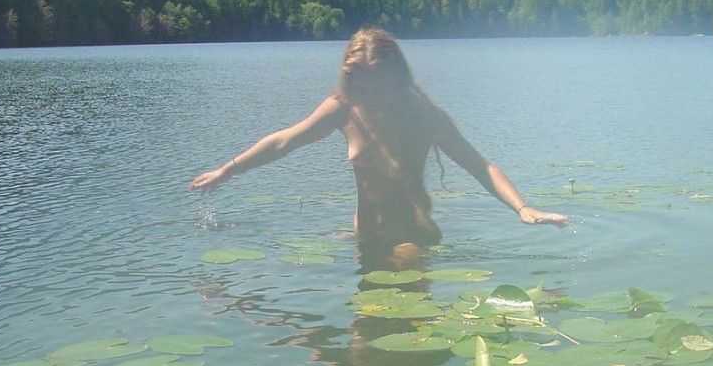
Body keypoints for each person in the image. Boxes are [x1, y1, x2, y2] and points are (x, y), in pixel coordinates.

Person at [190, 27, 568, 253]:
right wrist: (227, 171)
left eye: (380, 84)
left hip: (410, 243)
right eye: (361, 84)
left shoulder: (422, 114)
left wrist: (521, 208)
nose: (371, 94)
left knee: (407, 345)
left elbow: (479, 165)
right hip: (365, 238)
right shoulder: (343, 107)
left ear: (397, 77)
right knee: (360, 351)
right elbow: (284, 141)